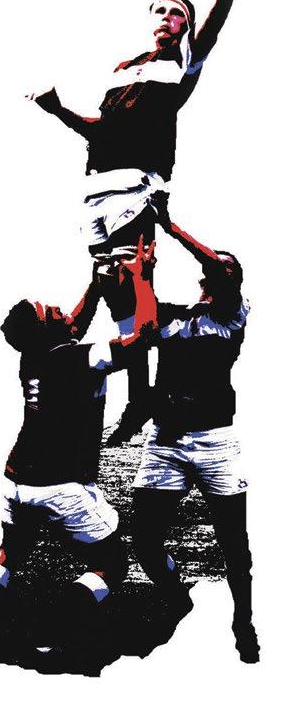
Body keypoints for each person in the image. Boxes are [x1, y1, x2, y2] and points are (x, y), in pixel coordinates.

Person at [28, 0, 264, 434]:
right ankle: (129, 392)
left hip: (136, 186)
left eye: (178, 13)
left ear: (185, 25)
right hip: (95, 189)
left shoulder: (181, 63)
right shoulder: (123, 69)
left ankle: (140, 399)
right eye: (161, 10)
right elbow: (101, 131)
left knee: (137, 286)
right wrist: (58, 110)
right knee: (114, 293)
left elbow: (216, 19)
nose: (167, 17)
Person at [0, 241, 156, 673]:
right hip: (59, 485)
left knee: (8, 555)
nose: (61, 309)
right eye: (52, 311)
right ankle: (63, 639)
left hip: (15, 480)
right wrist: (140, 278)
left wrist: (95, 286)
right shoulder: (79, 358)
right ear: (47, 329)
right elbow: (142, 339)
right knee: (112, 564)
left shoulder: (32, 356)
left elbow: (72, 326)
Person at [131, 200, 260, 663]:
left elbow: (219, 267)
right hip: (165, 441)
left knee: (234, 543)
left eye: (223, 267)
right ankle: (175, 595)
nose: (214, 269)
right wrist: (142, 273)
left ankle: (243, 620)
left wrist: (170, 226)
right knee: (144, 540)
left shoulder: (232, 315)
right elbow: (141, 320)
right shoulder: (174, 316)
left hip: (214, 443)